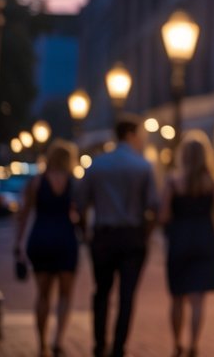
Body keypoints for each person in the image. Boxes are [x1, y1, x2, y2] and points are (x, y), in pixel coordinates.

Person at [77, 114, 158, 357]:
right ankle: (119, 347)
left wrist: (85, 233)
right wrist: (146, 234)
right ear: (130, 134)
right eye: (140, 134)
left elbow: (80, 203)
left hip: (103, 235)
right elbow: (153, 206)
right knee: (126, 296)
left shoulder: (97, 165)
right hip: (132, 236)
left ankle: (99, 344)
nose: (142, 140)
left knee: (101, 292)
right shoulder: (143, 166)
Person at [159, 131, 214, 357]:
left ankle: (177, 343)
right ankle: (194, 343)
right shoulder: (213, 182)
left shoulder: (173, 181)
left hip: (179, 238)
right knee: (198, 300)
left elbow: (164, 215)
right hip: (205, 238)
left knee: (177, 297)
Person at [13, 139, 81, 357]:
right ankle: (58, 340)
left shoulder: (36, 182)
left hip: (41, 237)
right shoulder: (73, 183)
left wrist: (18, 243)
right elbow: (80, 213)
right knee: (65, 294)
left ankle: (42, 344)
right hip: (65, 238)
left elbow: (23, 215)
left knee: (43, 294)